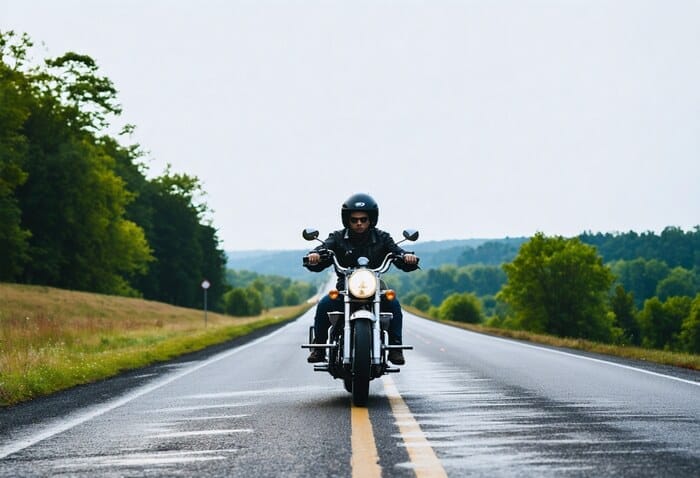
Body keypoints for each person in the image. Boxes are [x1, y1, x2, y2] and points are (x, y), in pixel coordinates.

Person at [303, 193, 419, 365]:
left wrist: (406, 257)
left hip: (375, 289)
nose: (359, 223)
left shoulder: (382, 238)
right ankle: (318, 348)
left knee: (393, 303)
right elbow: (324, 247)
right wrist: (315, 255)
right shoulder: (337, 237)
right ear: (347, 220)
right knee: (325, 303)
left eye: (363, 219)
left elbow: (396, 251)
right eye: (354, 219)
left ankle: (395, 348)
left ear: (371, 219)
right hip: (346, 290)